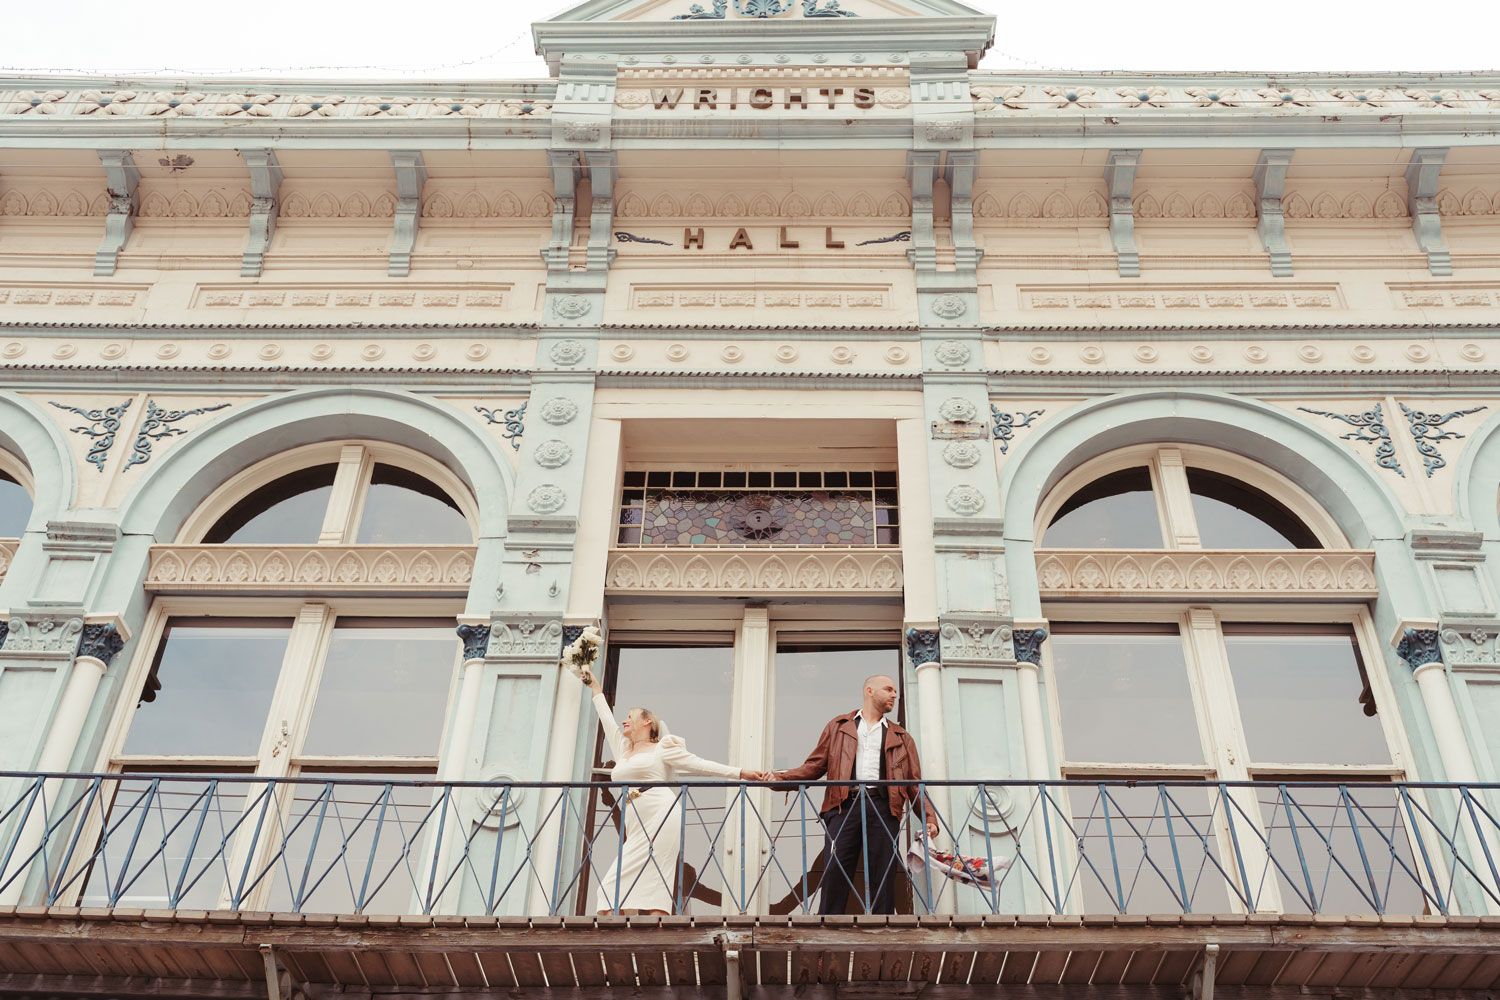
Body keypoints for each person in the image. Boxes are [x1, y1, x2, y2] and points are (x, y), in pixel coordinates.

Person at [579, 667, 767, 915]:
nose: (625, 720)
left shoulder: (662, 748)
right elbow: (606, 718)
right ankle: (619, 934)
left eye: (631, 715)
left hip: (661, 812)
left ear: (647, 722)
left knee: (658, 874)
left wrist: (741, 773)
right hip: (636, 819)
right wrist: (596, 689)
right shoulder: (623, 749)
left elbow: (699, 765)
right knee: (609, 889)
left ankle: (656, 925)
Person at [770, 674, 938, 915]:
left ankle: (883, 922)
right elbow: (814, 767)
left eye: (895, 691)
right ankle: (827, 920)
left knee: (884, 867)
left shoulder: (901, 737)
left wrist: (929, 818)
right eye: (888, 689)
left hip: (883, 805)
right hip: (843, 805)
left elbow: (913, 784)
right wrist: (778, 779)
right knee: (836, 865)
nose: (894, 695)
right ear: (870, 691)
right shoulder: (838, 727)